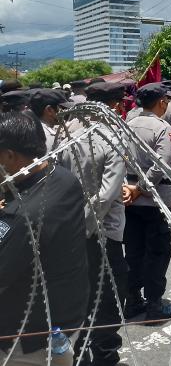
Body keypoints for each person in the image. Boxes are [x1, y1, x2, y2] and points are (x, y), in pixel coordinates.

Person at [0, 112, 89, 366]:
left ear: (9, 156)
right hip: (64, 319)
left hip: (25, 340)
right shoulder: (62, 177)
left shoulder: (21, 216)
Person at [62, 82, 128, 366]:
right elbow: (106, 194)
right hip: (101, 231)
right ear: (112, 105)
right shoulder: (111, 137)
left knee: (80, 294)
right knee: (109, 297)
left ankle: (76, 351)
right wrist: (86, 227)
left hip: (71, 227)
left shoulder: (68, 134)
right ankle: (104, 354)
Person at [121, 83, 171, 323]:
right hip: (157, 199)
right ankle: (154, 304)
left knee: (133, 251)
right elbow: (162, 163)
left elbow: (119, 157)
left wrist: (131, 188)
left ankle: (132, 299)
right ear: (161, 102)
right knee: (158, 252)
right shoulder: (162, 128)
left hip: (130, 197)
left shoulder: (128, 124)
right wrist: (142, 188)